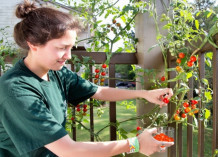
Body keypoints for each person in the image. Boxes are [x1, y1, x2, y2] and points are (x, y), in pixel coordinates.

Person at [0, 0, 174, 157]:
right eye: (62, 47)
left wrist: (144, 94)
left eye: (71, 47)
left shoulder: (55, 72)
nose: (68, 56)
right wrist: (136, 144)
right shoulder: (16, 90)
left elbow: (98, 91)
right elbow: (68, 150)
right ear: (33, 43)